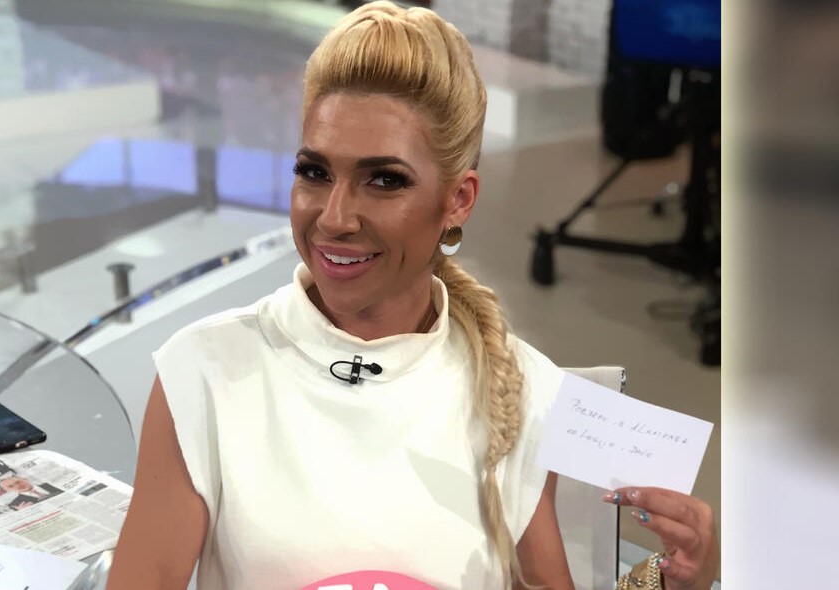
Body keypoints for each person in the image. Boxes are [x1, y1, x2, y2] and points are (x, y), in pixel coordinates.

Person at [107, 3, 719, 589]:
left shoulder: (520, 389)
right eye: (315, 172)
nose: (334, 218)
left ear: (458, 200)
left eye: (384, 180)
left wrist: (668, 584)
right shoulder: (205, 370)